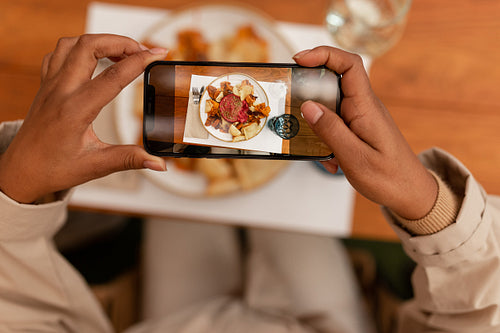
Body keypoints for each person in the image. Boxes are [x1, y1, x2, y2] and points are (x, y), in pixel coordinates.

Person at [0, 34, 498, 332]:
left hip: (178, 320)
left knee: (180, 207)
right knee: (271, 202)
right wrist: (425, 205)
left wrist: (17, 187)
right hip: (322, 323)